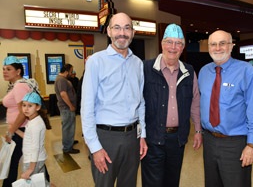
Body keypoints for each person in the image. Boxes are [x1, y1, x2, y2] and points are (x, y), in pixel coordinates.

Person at [81, 12, 147, 187]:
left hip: (133, 137)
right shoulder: (96, 62)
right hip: (105, 138)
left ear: (133, 33)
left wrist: (142, 136)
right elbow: (86, 108)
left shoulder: (138, 64)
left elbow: (141, 103)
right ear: (109, 32)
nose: (122, 33)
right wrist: (94, 148)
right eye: (117, 28)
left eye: (127, 28)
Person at [198, 30, 253, 187]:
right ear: (208, 47)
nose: (218, 48)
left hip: (235, 144)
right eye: (213, 44)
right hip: (209, 141)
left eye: (223, 43)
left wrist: (252, 145)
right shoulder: (203, 72)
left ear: (231, 46)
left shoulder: (246, 71)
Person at [141, 24, 202, 187]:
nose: (173, 47)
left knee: (172, 181)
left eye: (178, 43)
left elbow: (195, 102)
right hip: (152, 138)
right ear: (162, 44)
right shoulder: (145, 68)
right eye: (169, 42)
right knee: (152, 183)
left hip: (177, 139)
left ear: (182, 47)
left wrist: (197, 130)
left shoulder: (189, 72)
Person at [2, 56, 40, 186]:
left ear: (18, 71)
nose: (4, 72)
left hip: (21, 131)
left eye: (8, 69)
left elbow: (23, 113)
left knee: (13, 165)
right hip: (19, 130)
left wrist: (11, 131)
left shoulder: (20, 86)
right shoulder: (15, 86)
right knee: (29, 161)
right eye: (3, 69)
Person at [14, 92, 55, 187]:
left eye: (30, 106)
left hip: (32, 160)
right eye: (24, 105)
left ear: (38, 107)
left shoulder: (35, 124)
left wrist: (30, 169)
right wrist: (16, 130)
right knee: (42, 183)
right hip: (38, 159)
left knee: (33, 184)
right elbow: (29, 138)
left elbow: (35, 147)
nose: (26, 108)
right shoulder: (34, 120)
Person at [54, 64, 79, 154]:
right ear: (66, 72)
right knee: (68, 127)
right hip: (67, 108)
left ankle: (70, 141)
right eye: (71, 71)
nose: (72, 73)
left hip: (68, 108)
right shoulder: (61, 80)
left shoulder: (63, 79)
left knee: (70, 126)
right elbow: (63, 94)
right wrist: (71, 106)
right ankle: (68, 148)